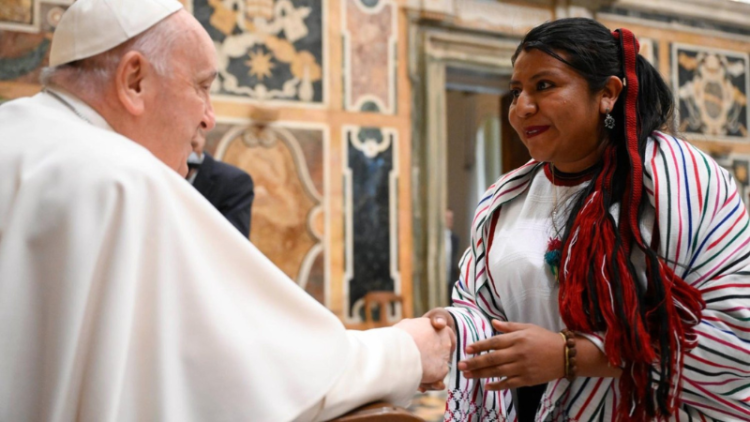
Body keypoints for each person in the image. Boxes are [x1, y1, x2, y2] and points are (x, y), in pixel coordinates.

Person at [0, 1, 455, 421]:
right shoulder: (127, 179)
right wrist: (407, 351)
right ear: (134, 80)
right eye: (201, 87)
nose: (208, 118)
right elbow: (253, 374)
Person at [426, 18, 750, 421]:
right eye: (516, 92)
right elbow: (481, 307)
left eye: (544, 86)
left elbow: (735, 339)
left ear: (608, 93)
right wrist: (453, 327)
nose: (522, 108)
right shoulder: (504, 198)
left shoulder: (679, 181)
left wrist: (572, 356)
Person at [187, 131, 255, 238]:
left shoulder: (234, 181)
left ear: (202, 137)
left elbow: (234, 239)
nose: (186, 153)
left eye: (192, 145)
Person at [445, 209, 460, 305]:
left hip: (451, 277)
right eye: (447, 218)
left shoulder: (455, 239)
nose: (449, 221)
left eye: (451, 218)